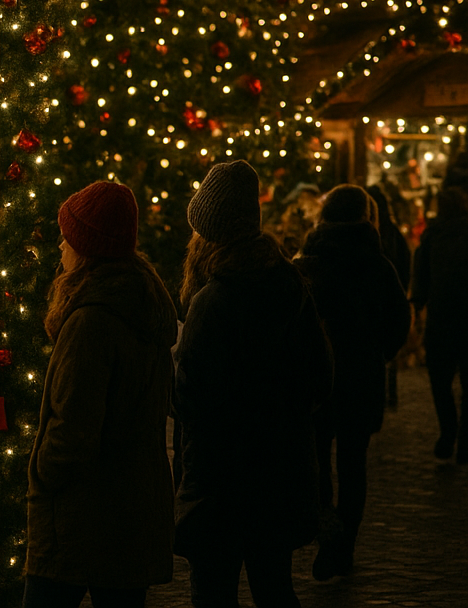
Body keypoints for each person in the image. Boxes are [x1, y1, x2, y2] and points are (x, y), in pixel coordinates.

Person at [172, 160, 332, 608]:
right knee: (275, 588)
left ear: (209, 233)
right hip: (279, 474)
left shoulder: (213, 301)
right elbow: (321, 378)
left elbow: (191, 398)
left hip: (219, 483)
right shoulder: (289, 285)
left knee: (213, 593)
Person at [24, 181, 178, 608]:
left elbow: (73, 428)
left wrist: (41, 475)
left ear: (87, 247)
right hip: (134, 509)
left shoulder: (91, 322)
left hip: (83, 515)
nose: (60, 245)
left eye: (68, 236)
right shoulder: (143, 305)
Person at [295, 185, 410, 579]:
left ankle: (329, 534)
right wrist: (377, 354)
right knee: (353, 464)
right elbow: (399, 321)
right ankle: (345, 543)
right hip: (361, 379)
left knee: (318, 461)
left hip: (316, 382)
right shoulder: (377, 265)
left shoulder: (306, 264)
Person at [412, 185, 468, 463]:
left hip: (442, 317)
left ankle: (448, 431)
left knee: (440, 381)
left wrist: (419, 303)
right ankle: (465, 440)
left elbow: (420, 276)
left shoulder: (433, 236)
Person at [367, 184, 412, 409]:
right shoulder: (391, 233)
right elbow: (405, 266)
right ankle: (389, 394)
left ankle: (381, 396)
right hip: (388, 302)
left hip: (373, 305)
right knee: (385, 354)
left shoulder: (371, 238)